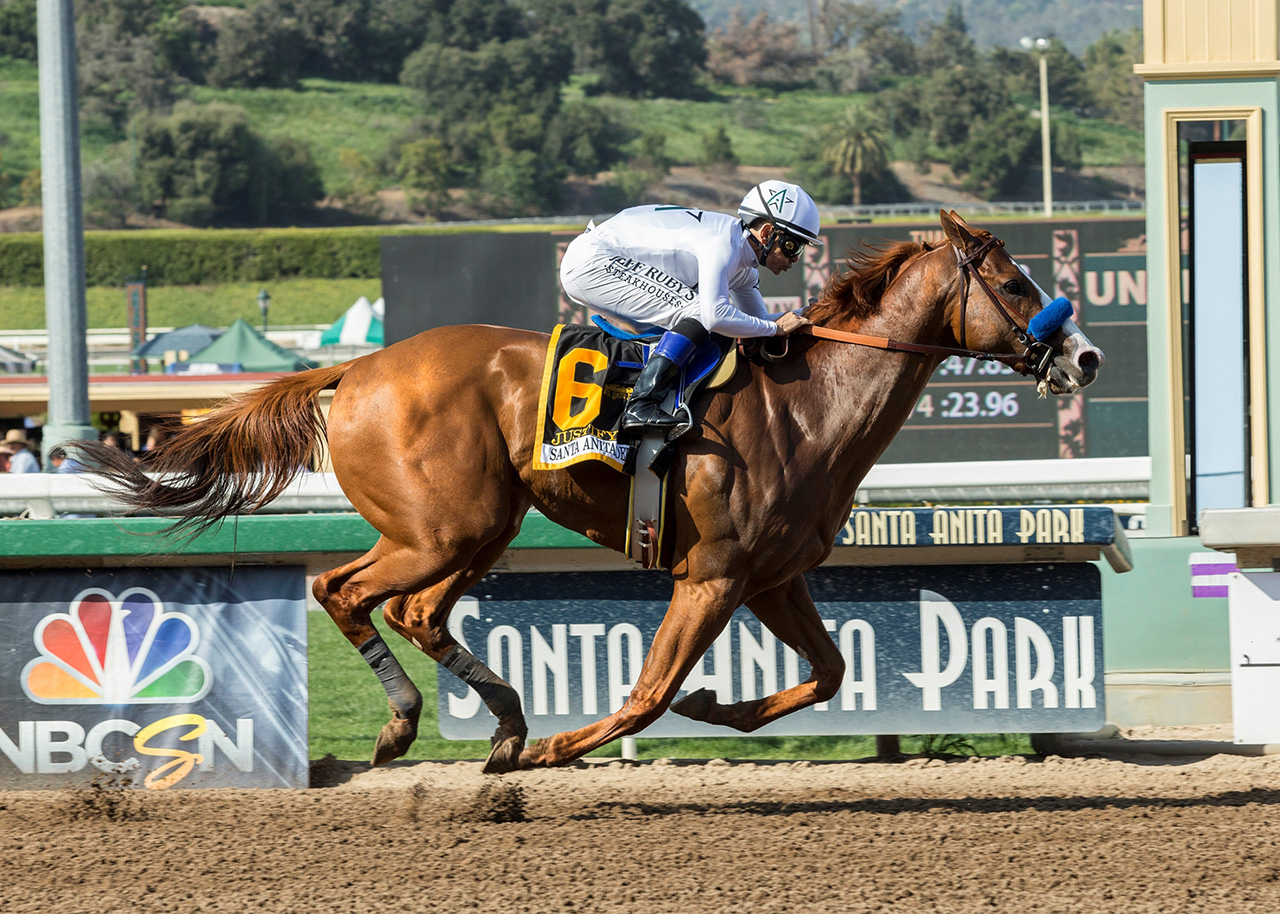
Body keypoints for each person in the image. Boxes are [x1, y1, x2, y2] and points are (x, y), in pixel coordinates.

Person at [559, 179, 822, 434]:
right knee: (698, 312)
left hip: (602, 257)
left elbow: (756, 321)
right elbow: (716, 317)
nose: (795, 258)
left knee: (702, 314)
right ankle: (641, 405)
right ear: (766, 233)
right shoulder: (724, 244)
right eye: (792, 245)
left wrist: (805, 315)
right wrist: (775, 328)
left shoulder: (743, 263)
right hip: (594, 260)